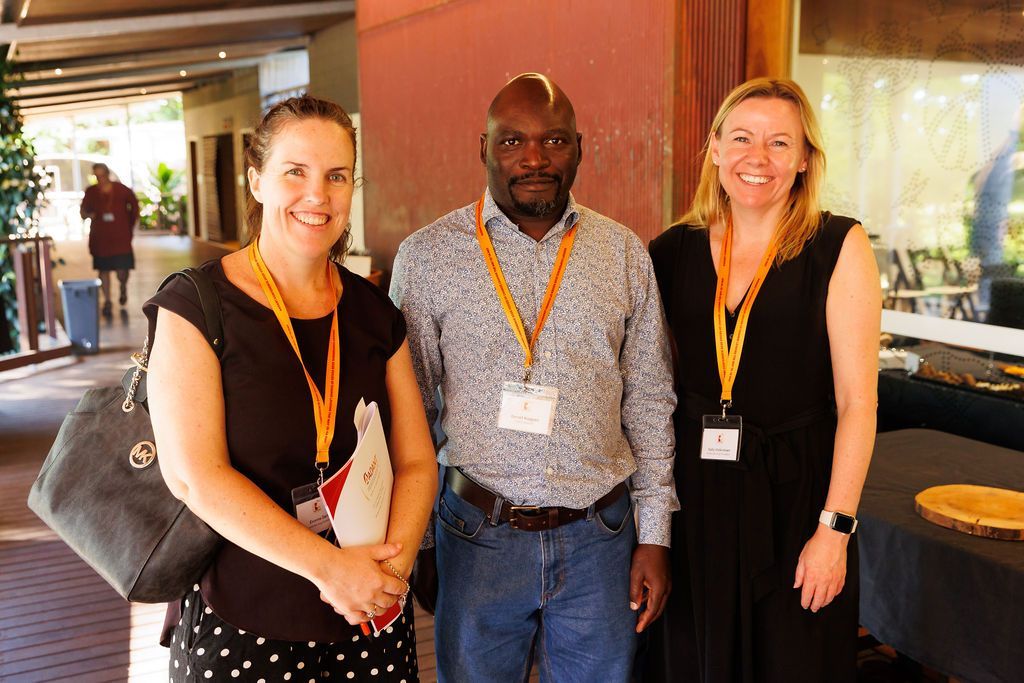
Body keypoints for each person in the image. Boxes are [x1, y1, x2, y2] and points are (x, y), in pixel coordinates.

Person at [391, 73, 678, 683]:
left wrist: (655, 536)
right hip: (476, 536)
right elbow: (408, 409)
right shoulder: (427, 257)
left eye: (554, 141)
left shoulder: (624, 254)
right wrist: (418, 544)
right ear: (484, 148)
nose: (534, 159)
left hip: (602, 537)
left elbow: (651, 402)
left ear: (580, 146)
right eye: (512, 142)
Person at [145, 96, 437, 681]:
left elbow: (416, 462)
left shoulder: (376, 313)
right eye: (294, 172)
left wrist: (389, 574)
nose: (317, 195)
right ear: (256, 180)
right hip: (246, 623)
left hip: (368, 620)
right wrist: (332, 570)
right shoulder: (197, 307)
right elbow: (193, 475)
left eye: (337, 176)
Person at [644, 78, 881, 682]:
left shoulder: (838, 244)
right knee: (694, 661)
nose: (759, 158)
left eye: (780, 143)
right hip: (694, 500)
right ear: (715, 149)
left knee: (792, 661)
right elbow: (644, 386)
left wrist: (835, 531)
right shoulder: (670, 252)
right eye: (743, 138)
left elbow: (858, 402)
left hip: (796, 499)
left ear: (804, 160)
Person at [80, 162, 140, 316]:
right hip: (100, 238)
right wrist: (89, 215)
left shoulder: (121, 189)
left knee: (122, 271)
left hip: (120, 237)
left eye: (103, 176)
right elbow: (83, 211)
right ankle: (107, 300)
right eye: (97, 176)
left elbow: (134, 206)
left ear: (108, 174)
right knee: (103, 270)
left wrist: (128, 225)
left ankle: (123, 287)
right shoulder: (91, 191)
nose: (101, 179)